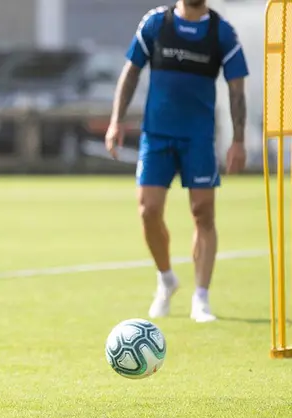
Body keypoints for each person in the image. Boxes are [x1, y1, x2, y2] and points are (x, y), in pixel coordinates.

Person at [105, 0, 249, 323]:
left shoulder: (221, 32)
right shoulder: (156, 23)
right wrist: (116, 121)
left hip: (198, 138)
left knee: (203, 212)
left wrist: (238, 140)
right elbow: (131, 72)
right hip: (156, 136)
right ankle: (166, 278)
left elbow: (236, 88)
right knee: (148, 210)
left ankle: (202, 297)